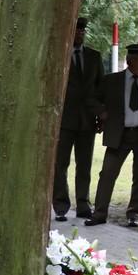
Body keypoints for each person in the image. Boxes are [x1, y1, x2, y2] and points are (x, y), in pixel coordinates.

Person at [85, 43, 138, 228]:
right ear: (131, 61)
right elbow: (92, 99)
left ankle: (134, 214)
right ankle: (99, 214)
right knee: (107, 174)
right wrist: (101, 112)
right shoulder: (111, 81)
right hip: (118, 135)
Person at [53, 17, 104, 221]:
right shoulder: (59, 55)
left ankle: (83, 205)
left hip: (87, 121)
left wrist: (100, 114)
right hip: (64, 121)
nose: (80, 34)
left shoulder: (94, 56)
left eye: (82, 31)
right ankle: (60, 206)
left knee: (84, 166)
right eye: (76, 31)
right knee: (60, 165)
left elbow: (100, 89)